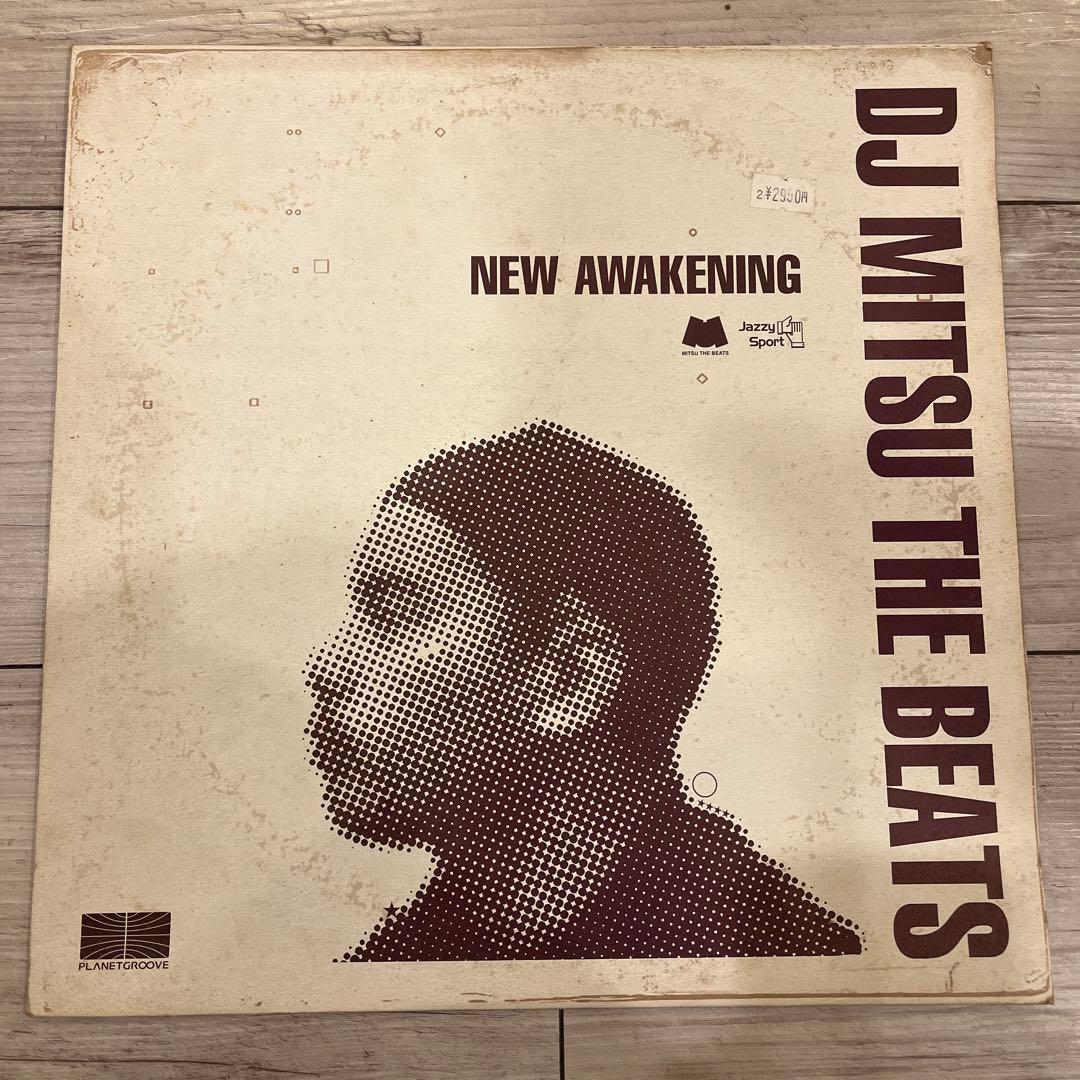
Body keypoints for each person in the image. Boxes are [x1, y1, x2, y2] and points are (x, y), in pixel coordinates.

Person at [305, 420, 861, 961]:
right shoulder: (399, 954)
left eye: (394, 614)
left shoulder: (779, 949)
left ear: (569, 676)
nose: (325, 667)